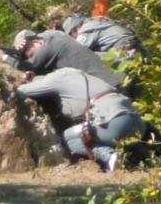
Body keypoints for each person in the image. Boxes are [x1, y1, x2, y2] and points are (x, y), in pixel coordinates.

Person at [10, 64, 146, 172]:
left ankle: (108, 155)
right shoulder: (86, 77)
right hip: (137, 123)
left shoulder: (57, 78)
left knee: (65, 138)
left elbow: (21, 90)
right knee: (94, 133)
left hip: (111, 123)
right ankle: (140, 158)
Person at [0, 29, 127, 90]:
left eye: (28, 51)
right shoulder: (57, 38)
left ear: (37, 41)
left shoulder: (49, 47)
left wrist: (2, 56)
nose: (30, 56)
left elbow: (28, 67)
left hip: (113, 85)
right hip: (118, 79)